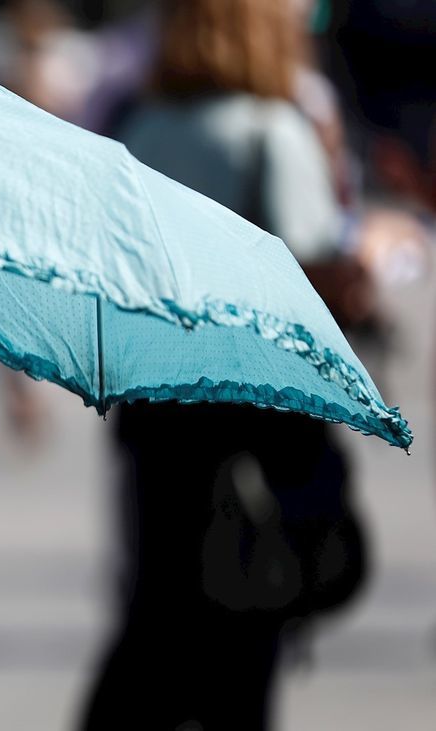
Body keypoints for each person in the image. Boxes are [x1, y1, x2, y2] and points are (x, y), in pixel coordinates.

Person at [80, 1, 368, 729]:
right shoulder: (274, 132)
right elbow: (319, 277)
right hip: (252, 430)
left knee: (154, 623)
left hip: (155, 418)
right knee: (243, 643)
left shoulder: (137, 129)